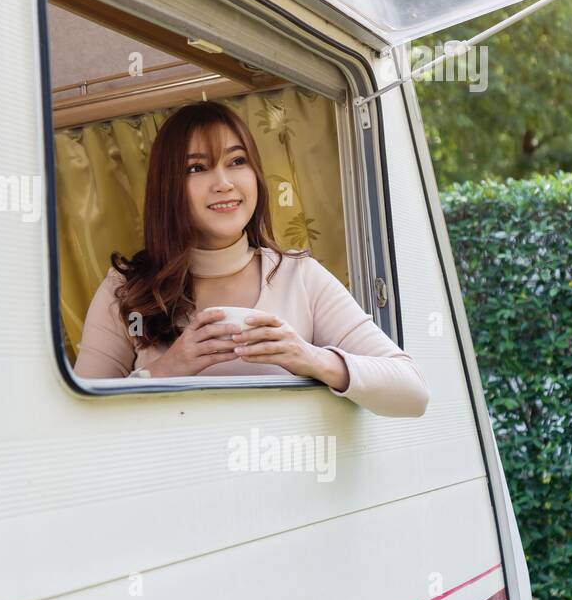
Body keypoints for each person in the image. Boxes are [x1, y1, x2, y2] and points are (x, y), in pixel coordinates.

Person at [72, 102, 429, 418]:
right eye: (197, 168)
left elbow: (412, 392)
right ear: (168, 188)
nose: (224, 183)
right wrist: (167, 369)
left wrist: (309, 358)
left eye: (237, 161)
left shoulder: (298, 276)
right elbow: (78, 418)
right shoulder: (126, 289)